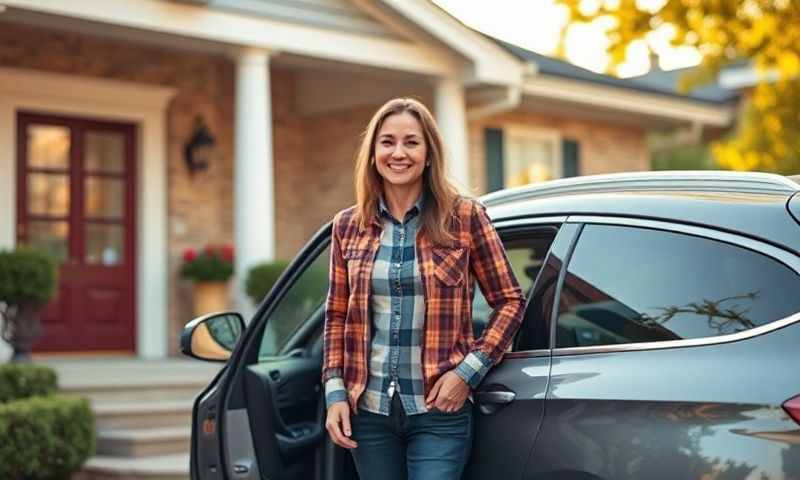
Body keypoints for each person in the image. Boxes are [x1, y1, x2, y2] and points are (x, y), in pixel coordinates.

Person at [322, 97, 525, 480]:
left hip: (439, 412)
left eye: (411, 142)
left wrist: (467, 373)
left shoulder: (465, 217)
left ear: (429, 153)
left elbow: (510, 301)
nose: (399, 153)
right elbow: (335, 315)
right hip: (369, 412)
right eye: (387, 142)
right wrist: (335, 393)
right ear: (373, 153)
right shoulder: (347, 225)